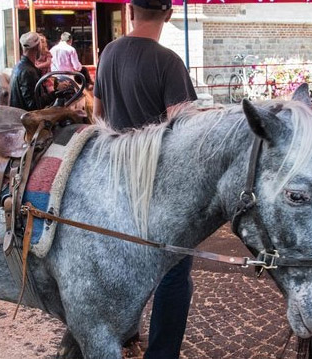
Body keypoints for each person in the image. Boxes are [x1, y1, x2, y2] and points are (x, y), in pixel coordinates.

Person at [92, 0, 197, 357]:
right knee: (174, 275)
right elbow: (183, 134)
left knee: (123, 266)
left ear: (131, 11)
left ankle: (125, 335)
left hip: (114, 184)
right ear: (168, 14)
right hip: (156, 187)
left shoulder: (107, 54)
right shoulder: (168, 62)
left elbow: (98, 119)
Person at [10, 32, 45, 111]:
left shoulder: (18, 66)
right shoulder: (28, 71)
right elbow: (32, 104)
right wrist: (55, 93)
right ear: (37, 47)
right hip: (26, 120)